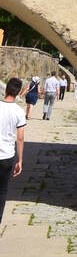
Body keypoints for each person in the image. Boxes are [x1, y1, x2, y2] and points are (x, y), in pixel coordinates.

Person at [0, 77, 26, 224]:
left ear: (6, 89)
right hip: (7, 156)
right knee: (2, 190)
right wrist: (20, 160)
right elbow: (20, 138)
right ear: (18, 92)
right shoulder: (18, 111)